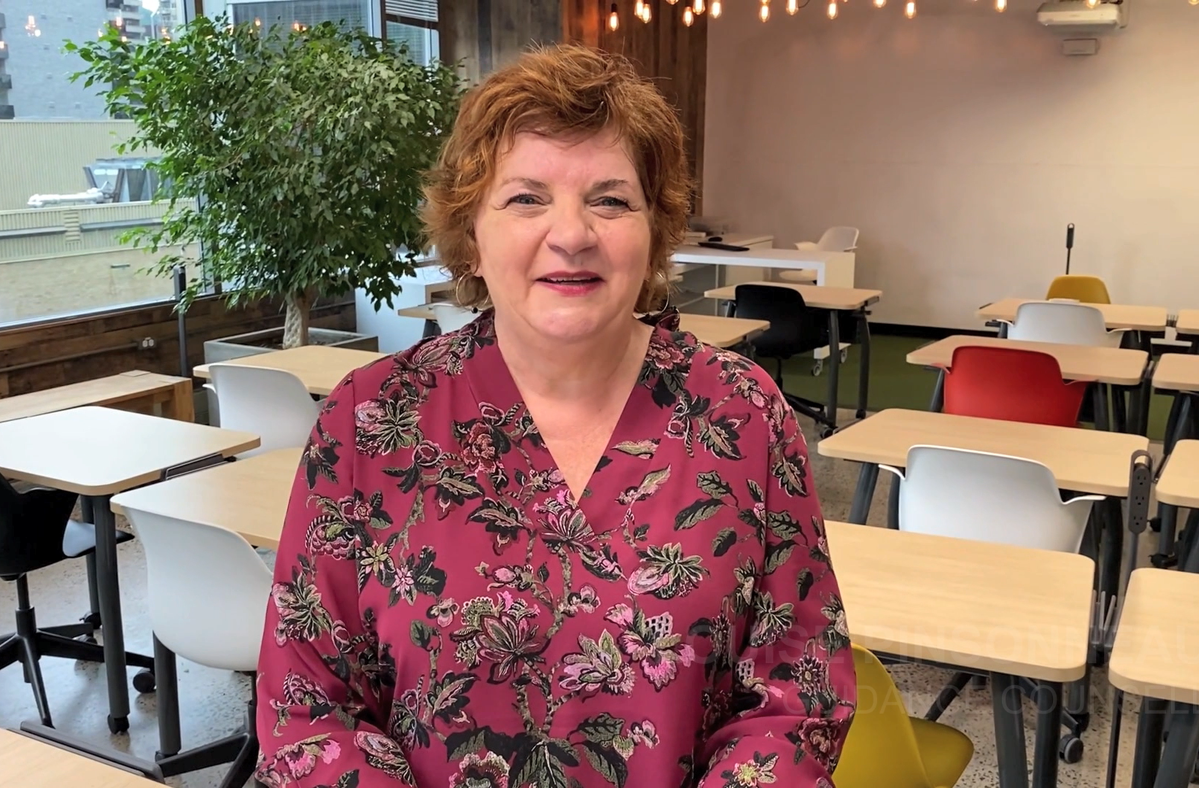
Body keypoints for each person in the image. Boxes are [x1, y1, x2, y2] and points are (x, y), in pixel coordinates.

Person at [254, 43, 856, 788]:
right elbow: (310, 711)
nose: (571, 234)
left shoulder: (744, 416)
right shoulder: (369, 422)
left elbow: (796, 699)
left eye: (609, 199)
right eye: (525, 198)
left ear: (653, 234)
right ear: (470, 234)